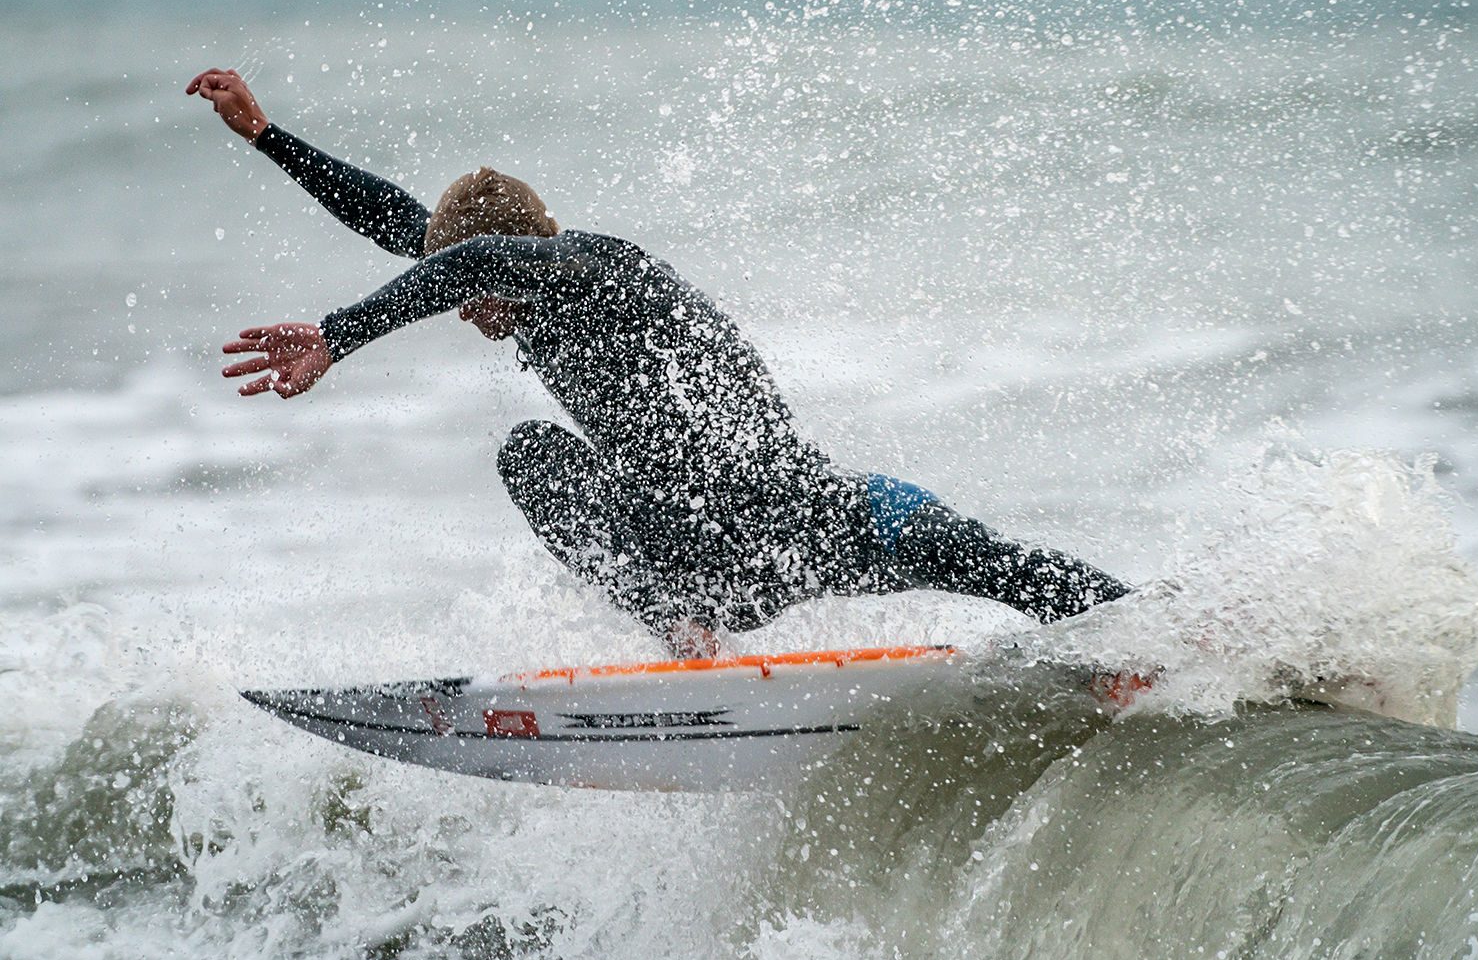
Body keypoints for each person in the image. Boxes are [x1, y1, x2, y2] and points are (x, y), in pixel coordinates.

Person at [187, 67, 1130, 657]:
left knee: (979, 555)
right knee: (530, 454)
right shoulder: (504, 280)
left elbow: (468, 264)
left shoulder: (596, 269)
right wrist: (269, 137)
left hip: (790, 514)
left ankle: (1142, 635)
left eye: (472, 289)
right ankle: (684, 632)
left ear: (520, 257)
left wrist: (339, 335)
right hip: (695, 549)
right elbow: (404, 224)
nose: (463, 310)